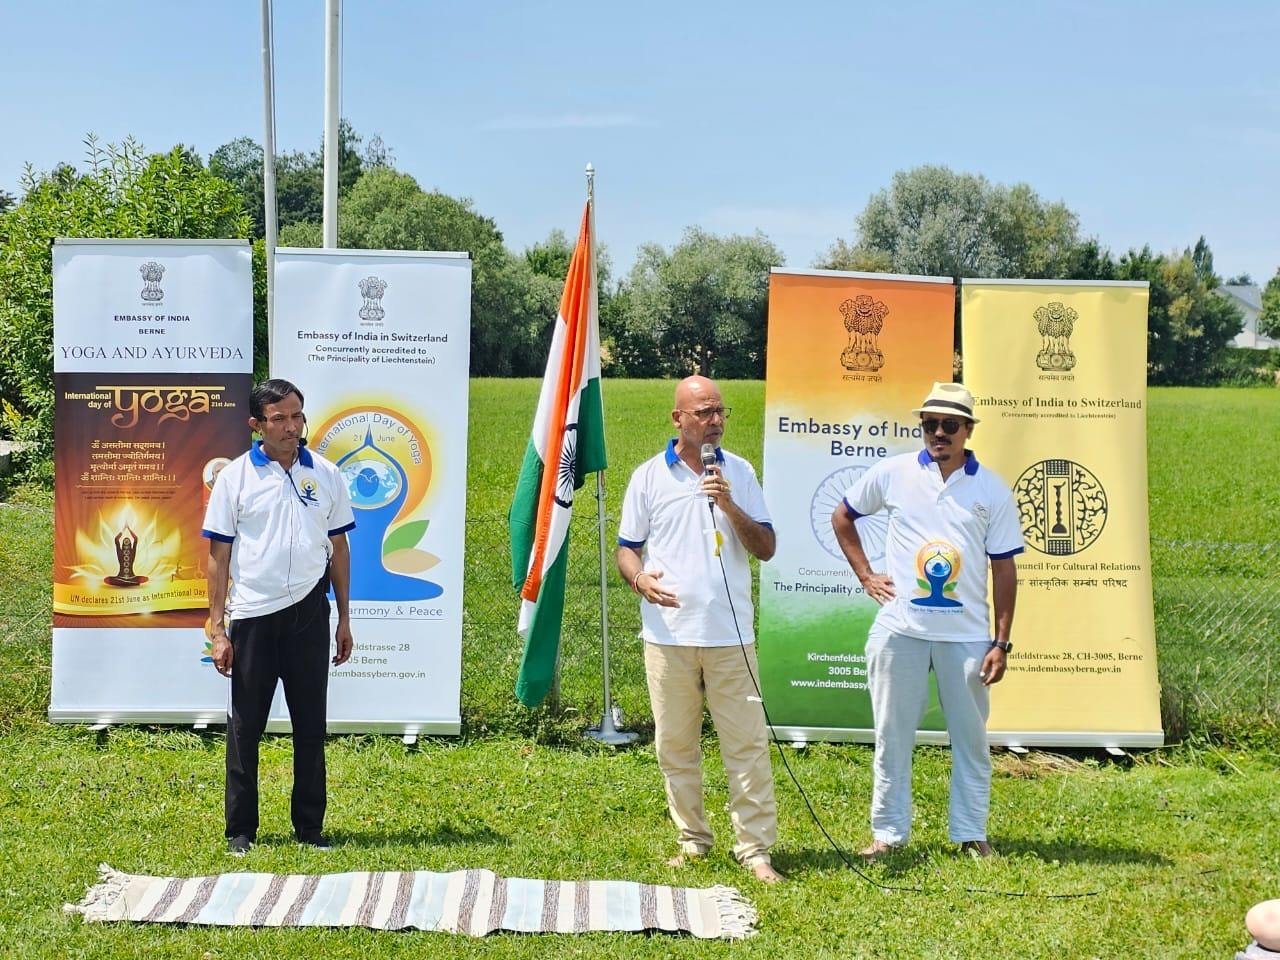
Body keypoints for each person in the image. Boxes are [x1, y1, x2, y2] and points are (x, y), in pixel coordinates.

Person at [831, 382, 1022, 860]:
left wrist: (1001, 642)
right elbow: (843, 516)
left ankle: (971, 833)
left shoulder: (991, 489)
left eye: (949, 425)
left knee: (971, 740)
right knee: (892, 736)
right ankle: (888, 835)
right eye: (930, 424)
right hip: (901, 631)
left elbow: (1004, 569)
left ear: (968, 430)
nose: (938, 433)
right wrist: (866, 575)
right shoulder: (893, 472)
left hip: (967, 638)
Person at [616, 375, 783, 884]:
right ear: (678, 419)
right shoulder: (648, 477)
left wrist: (728, 503)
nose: (715, 421)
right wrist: (640, 579)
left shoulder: (740, 473)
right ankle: (693, 840)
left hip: (731, 638)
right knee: (675, 745)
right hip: (668, 637)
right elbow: (627, 549)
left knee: (746, 745)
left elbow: (766, 548)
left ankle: (755, 849)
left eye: (720, 411)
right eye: (704, 412)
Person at [202, 378, 355, 855]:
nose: (292, 427)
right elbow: (218, 557)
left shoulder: (327, 474)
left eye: (297, 416)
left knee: (311, 725)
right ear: (256, 425)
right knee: (245, 727)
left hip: (309, 612)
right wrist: (218, 629)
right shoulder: (235, 479)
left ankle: (310, 828)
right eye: (279, 419)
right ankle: (241, 830)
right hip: (253, 614)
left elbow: (339, 548)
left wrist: (343, 618)